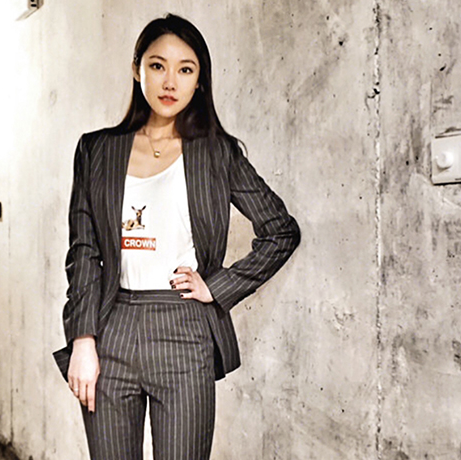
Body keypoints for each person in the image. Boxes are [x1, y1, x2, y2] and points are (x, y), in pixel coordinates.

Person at [53, 13, 300, 460]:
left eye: (186, 69)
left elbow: (280, 231)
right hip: (112, 327)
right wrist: (83, 340)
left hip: (185, 331)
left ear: (199, 81)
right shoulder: (97, 149)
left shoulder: (217, 153)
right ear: (137, 69)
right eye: (157, 65)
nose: (170, 81)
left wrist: (218, 286)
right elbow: (84, 251)